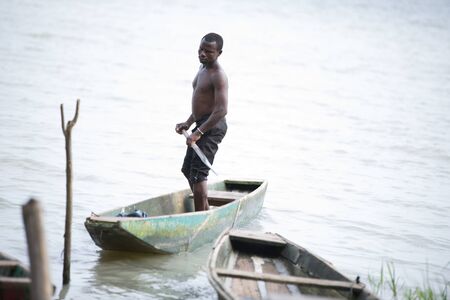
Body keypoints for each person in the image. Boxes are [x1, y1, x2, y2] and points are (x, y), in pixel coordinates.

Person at [175, 33, 228, 211]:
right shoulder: (202, 68)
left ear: (219, 53)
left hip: (212, 126)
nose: (202, 54)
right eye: (200, 49)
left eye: (208, 51)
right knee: (187, 169)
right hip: (201, 123)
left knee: (198, 174)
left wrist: (198, 133)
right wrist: (188, 123)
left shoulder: (218, 75)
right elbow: (202, 103)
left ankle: (201, 217)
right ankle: (205, 210)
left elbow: (221, 110)